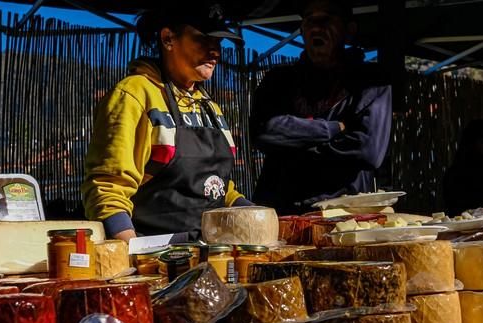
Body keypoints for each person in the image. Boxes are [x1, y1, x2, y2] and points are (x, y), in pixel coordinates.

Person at [82, 4, 250, 242]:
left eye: (219, 43)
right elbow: (107, 187)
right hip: (158, 256)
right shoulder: (134, 95)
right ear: (168, 38)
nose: (215, 52)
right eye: (204, 40)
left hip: (212, 250)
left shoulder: (209, 106)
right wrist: (133, 250)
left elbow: (217, 187)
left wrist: (251, 210)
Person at [250, 0, 392, 216]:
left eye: (327, 19)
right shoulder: (277, 81)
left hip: (344, 214)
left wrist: (292, 145)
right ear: (301, 30)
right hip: (282, 213)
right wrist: (335, 129)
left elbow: (369, 149)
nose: (316, 27)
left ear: (349, 30)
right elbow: (265, 132)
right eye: (309, 20)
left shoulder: (371, 82)